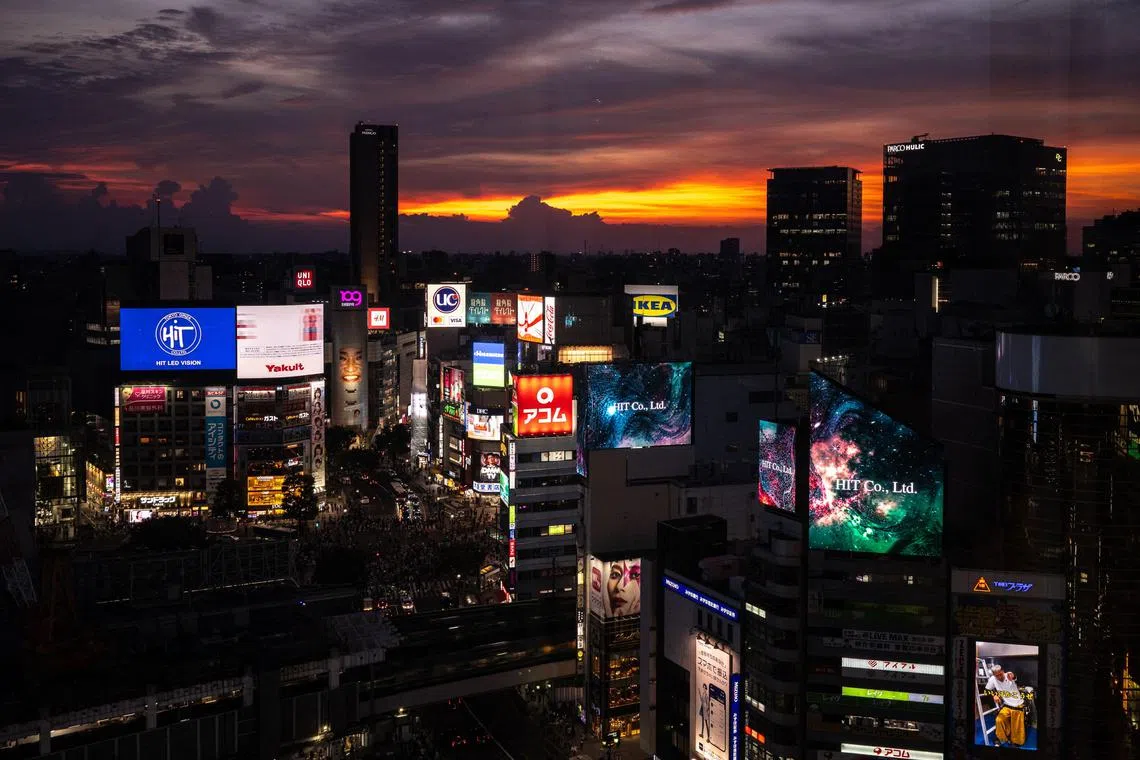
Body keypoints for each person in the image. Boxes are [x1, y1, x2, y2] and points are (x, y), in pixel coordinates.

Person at [985, 664, 1027, 748]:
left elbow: (1013, 676)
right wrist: (994, 695)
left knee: (1016, 726)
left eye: (1000, 674)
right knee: (999, 720)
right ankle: (1001, 738)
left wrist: (1013, 676)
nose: (999, 677)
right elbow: (987, 690)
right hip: (1007, 705)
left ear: (1003, 671)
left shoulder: (1008, 675)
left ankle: (1016, 742)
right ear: (994, 675)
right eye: (997, 676)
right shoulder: (993, 679)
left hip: (1017, 704)